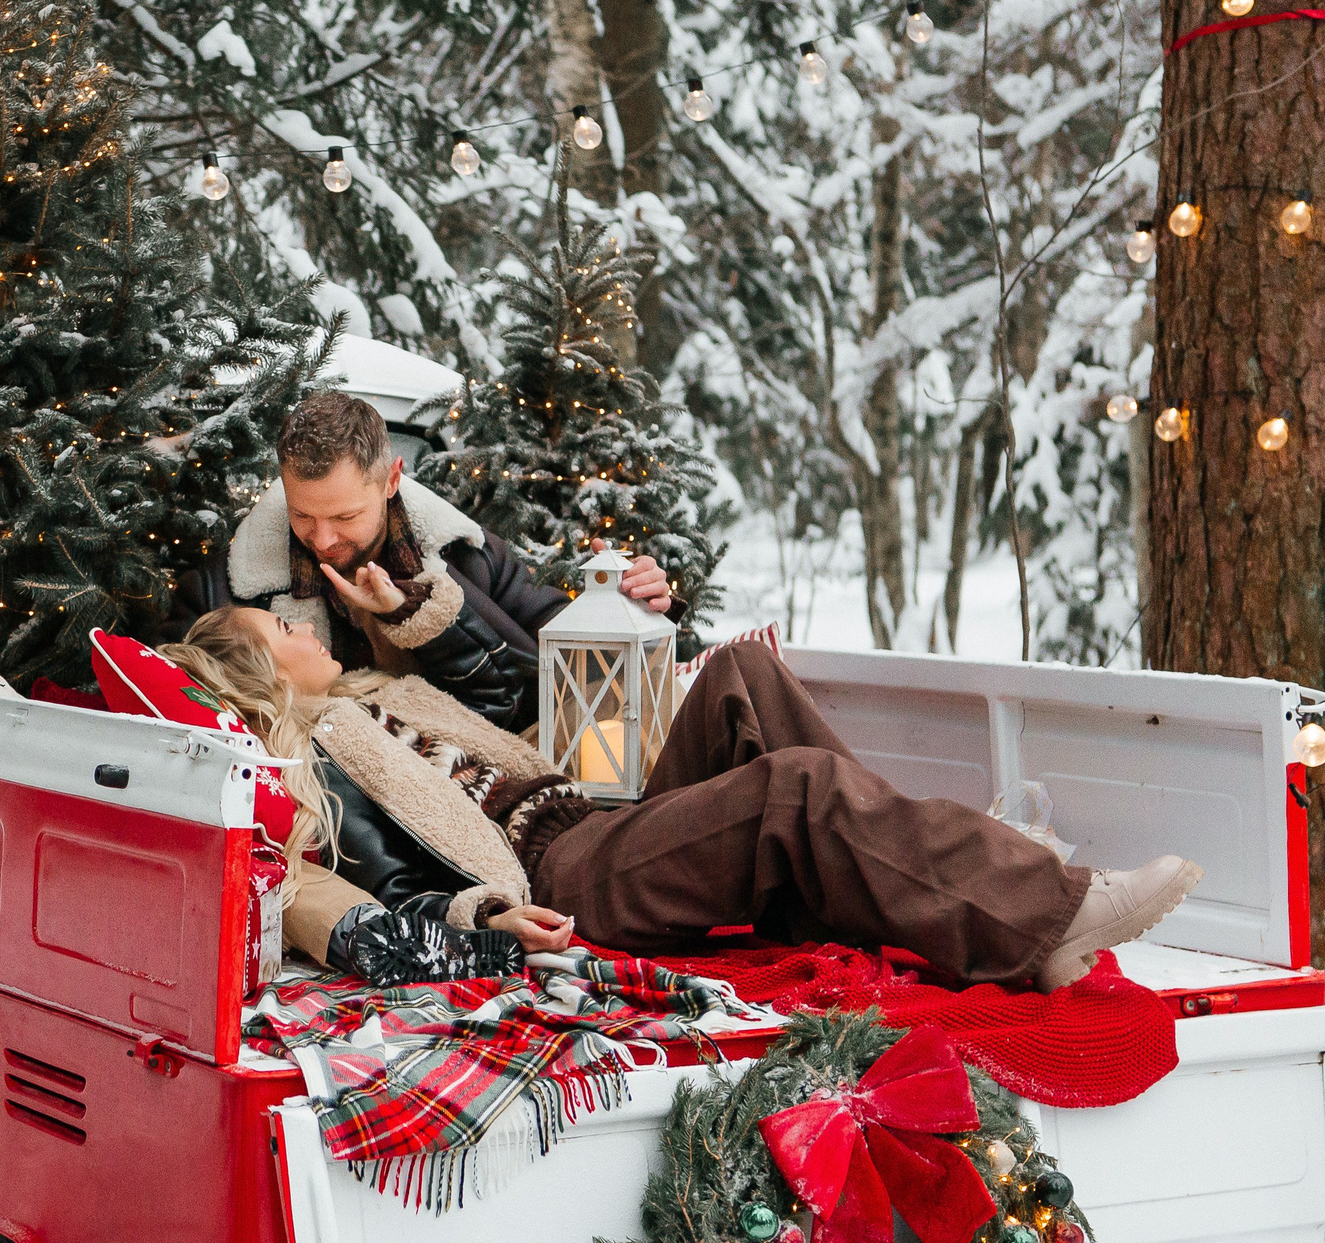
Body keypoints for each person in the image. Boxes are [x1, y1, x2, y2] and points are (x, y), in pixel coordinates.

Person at [162, 606, 1204, 994]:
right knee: (795, 790)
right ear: (255, 672)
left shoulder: (385, 689)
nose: (309, 625)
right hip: (554, 872)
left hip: (587, 811)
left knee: (737, 679)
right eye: (282, 630)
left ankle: (965, 871)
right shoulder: (306, 757)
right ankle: (1041, 912)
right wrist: (483, 919)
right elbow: (362, 881)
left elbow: (516, 675)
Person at [184, 388, 686, 732]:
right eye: (301, 515)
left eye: (345, 515)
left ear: (392, 481)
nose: (322, 538)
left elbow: (563, 650)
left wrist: (631, 602)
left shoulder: (465, 553)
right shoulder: (226, 590)